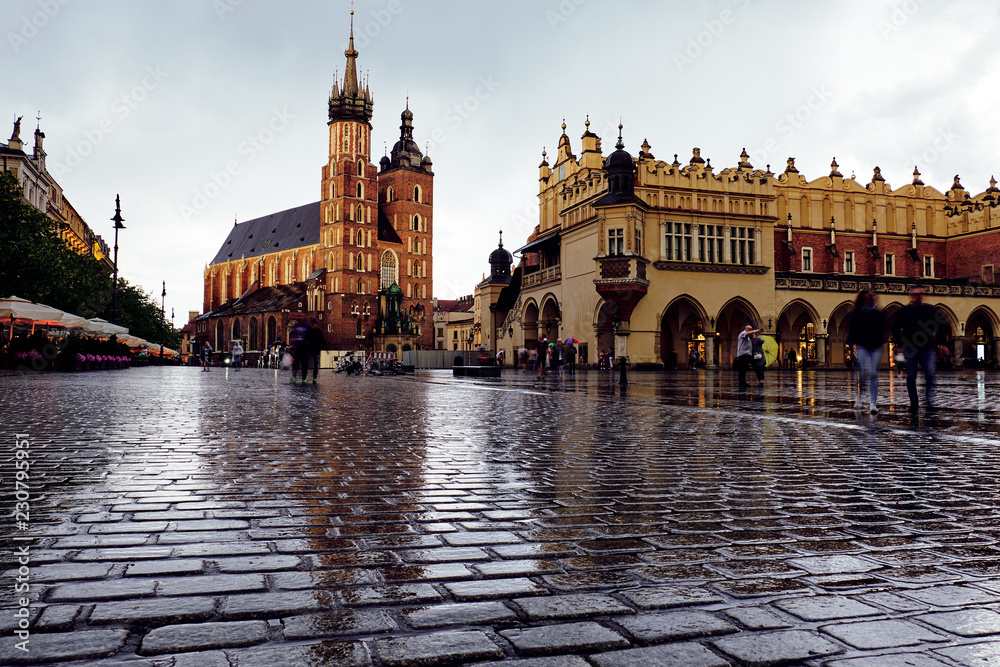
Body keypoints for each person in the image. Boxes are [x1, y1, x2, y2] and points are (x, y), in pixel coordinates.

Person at [893, 284, 949, 411]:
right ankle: (914, 402)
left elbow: (940, 327)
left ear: (923, 295)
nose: (918, 297)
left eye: (920, 294)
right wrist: (898, 344)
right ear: (911, 295)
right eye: (915, 294)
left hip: (927, 347)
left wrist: (943, 344)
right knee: (911, 376)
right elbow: (895, 329)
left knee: (930, 373)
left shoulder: (930, 310)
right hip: (910, 348)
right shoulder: (903, 312)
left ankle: (929, 399)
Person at [847, 288, 886, 414]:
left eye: (870, 298)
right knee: (864, 372)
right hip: (862, 345)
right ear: (862, 300)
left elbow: (883, 328)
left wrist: (881, 339)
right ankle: (858, 397)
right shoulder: (856, 313)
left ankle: (873, 403)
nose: (868, 300)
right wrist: (851, 342)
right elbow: (851, 329)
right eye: (865, 298)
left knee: (873, 373)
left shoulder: (878, 313)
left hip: (876, 346)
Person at [289, 317, 310, 383]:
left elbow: (310, 334)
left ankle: (304, 378)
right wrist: (292, 342)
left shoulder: (307, 326)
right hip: (297, 347)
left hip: (304, 347)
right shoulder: (296, 326)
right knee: (295, 363)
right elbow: (293, 334)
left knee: (304, 363)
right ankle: (294, 376)